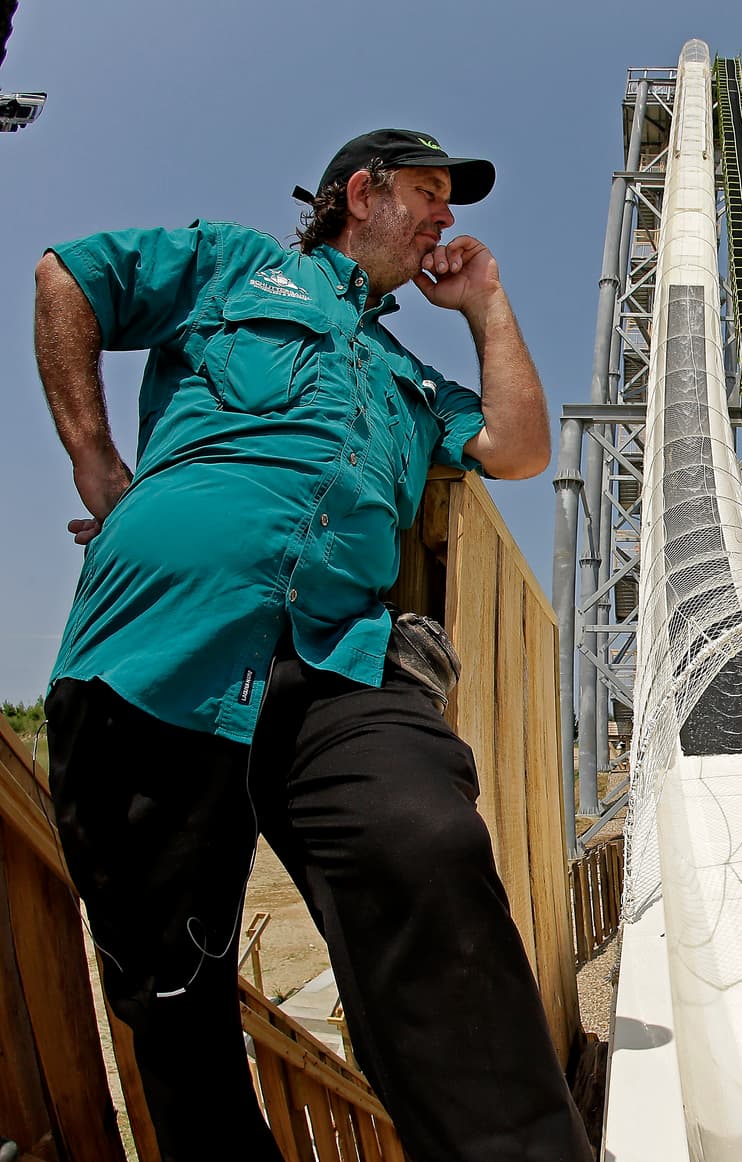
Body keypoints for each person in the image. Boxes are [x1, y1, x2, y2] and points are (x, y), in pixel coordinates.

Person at [35, 128, 593, 1162]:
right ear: (357, 191)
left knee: (427, 840)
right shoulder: (237, 265)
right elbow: (68, 274)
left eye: (448, 202)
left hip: (337, 662)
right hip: (153, 652)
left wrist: (485, 306)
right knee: (175, 991)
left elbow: (518, 448)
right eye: (426, 192)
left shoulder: (407, 378)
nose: (443, 216)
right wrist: (96, 462)